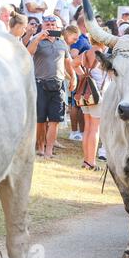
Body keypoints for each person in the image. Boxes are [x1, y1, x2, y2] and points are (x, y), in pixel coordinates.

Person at [27, 15, 76, 158]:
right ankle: (40, 147)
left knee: (54, 120)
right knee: (40, 120)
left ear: (58, 27)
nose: (50, 26)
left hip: (58, 85)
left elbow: (68, 62)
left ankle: (49, 150)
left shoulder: (62, 43)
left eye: (53, 24)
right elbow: (28, 52)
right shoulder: (37, 40)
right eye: (47, 23)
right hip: (40, 84)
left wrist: (73, 77)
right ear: (43, 26)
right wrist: (38, 38)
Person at [76, 36, 110, 171]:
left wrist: (83, 75)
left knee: (87, 128)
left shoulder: (85, 54)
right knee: (95, 129)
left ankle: (86, 160)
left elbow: (72, 63)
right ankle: (91, 162)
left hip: (85, 93)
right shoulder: (104, 56)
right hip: (98, 95)